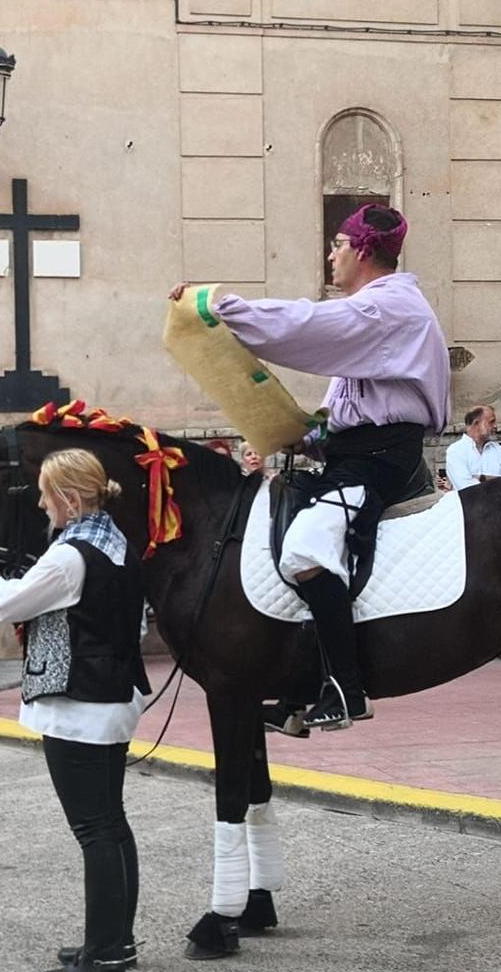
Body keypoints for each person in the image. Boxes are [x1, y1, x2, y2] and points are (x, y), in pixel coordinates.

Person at [169, 202, 451, 731]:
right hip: (358, 456)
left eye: (338, 244)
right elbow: (348, 409)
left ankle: (346, 688)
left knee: (306, 548)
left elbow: (305, 323)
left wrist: (219, 307)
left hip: (378, 464)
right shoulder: (379, 314)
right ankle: (303, 682)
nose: (331, 254)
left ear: (364, 250)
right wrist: (310, 435)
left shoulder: (386, 307)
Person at [0, 449, 152, 972]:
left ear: (70, 498)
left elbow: (5, 603)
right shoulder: (116, 542)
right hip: (111, 694)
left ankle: (103, 956)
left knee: (94, 829)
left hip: (79, 705)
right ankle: (115, 939)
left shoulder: (71, 555)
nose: (42, 503)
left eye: (47, 494)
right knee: (111, 824)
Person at [444, 404, 501, 491]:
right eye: (491, 422)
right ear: (476, 423)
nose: (495, 426)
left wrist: (482, 478)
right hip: (469, 504)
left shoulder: (498, 449)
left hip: (499, 503)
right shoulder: (456, 451)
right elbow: (467, 489)